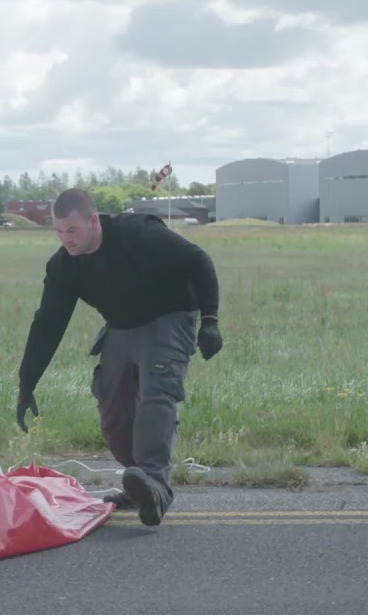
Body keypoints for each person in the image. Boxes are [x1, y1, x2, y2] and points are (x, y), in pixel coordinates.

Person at [14, 188, 223, 527]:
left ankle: (155, 485)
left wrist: (210, 321)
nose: (66, 240)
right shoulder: (65, 266)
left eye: (72, 230)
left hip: (168, 318)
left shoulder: (137, 234)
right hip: (121, 328)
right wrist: (27, 384)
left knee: (156, 398)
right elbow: (48, 324)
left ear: (93, 220)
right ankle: (138, 482)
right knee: (113, 411)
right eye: (58, 232)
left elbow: (198, 260)